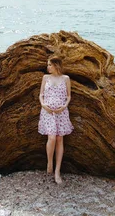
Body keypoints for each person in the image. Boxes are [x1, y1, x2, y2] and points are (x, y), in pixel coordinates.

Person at [38, 56, 74, 184]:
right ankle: (49, 163)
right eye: (47, 65)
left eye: (49, 65)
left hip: (61, 112)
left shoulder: (66, 79)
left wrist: (64, 106)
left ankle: (57, 171)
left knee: (59, 139)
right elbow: (41, 94)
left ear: (56, 65)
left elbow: (69, 96)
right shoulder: (45, 78)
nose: (47, 67)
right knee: (52, 137)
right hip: (47, 112)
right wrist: (43, 104)